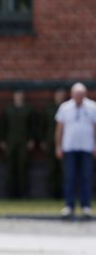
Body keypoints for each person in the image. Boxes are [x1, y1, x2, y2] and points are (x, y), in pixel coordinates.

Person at [55, 83, 96, 217]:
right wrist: (59, 146)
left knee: (86, 177)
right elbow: (59, 129)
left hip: (87, 148)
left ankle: (86, 206)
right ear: (72, 94)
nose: (79, 97)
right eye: (76, 94)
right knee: (70, 177)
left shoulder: (92, 107)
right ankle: (69, 205)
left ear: (85, 94)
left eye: (81, 94)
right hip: (69, 148)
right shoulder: (65, 107)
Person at [0, 90, 35, 199]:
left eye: (20, 95)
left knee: (23, 167)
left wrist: (31, 139)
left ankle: (23, 193)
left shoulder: (28, 109)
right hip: (11, 142)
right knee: (10, 167)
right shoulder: (8, 109)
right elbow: (3, 125)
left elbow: (33, 125)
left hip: (23, 142)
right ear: (14, 96)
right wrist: (2, 140)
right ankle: (10, 193)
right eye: (17, 95)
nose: (19, 97)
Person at [42, 88, 66, 199]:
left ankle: (63, 192)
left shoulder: (67, 108)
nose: (60, 97)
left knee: (63, 169)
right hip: (50, 141)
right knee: (51, 168)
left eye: (62, 95)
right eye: (58, 94)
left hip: (65, 142)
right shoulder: (48, 108)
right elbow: (43, 125)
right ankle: (52, 193)